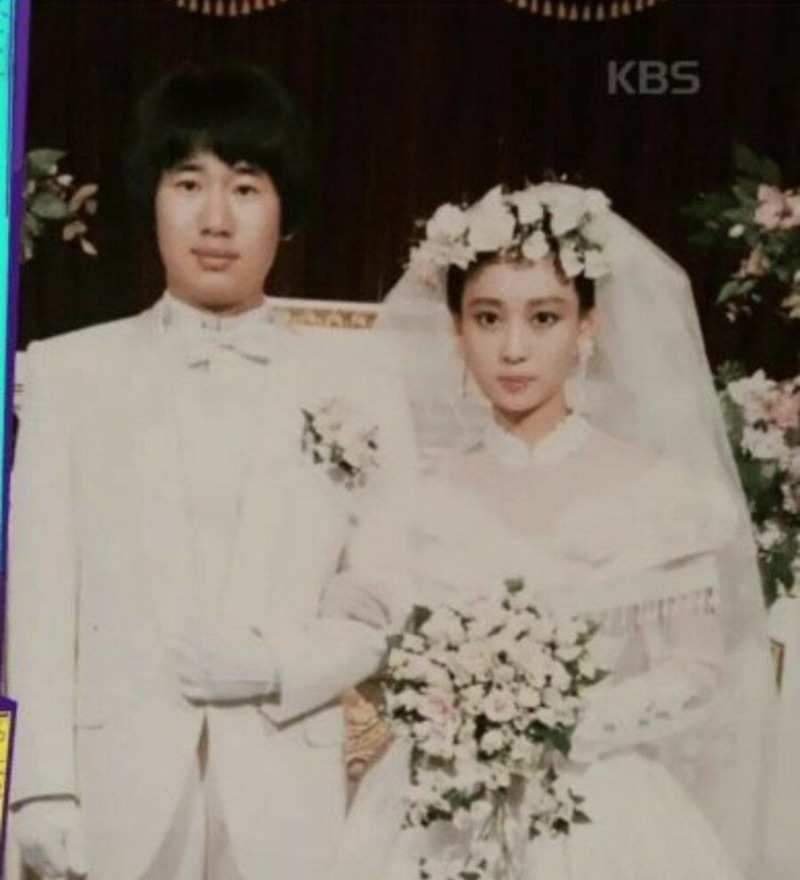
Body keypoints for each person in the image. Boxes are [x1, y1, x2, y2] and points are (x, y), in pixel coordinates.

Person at [6, 61, 416, 880]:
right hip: (108, 792)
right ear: (152, 198)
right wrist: (38, 789)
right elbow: (39, 600)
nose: (216, 219)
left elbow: (387, 594)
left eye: (247, 187)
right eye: (189, 184)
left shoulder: (360, 383)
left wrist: (280, 666)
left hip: (288, 793)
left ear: (285, 211)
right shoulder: (68, 374)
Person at [327, 183, 776, 880]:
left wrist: (557, 721)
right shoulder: (419, 494)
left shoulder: (655, 491)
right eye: (487, 318)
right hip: (438, 803)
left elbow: (695, 672)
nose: (514, 349)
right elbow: (376, 648)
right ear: (456, 332)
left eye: (543, 318)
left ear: (587, 326)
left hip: (600, 803)